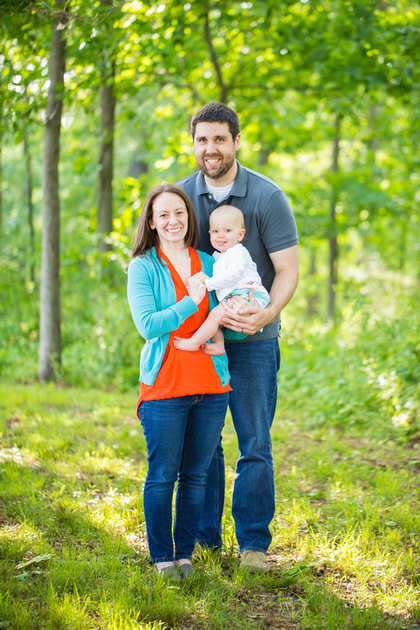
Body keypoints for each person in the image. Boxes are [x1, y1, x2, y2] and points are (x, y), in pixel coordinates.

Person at [177, 103, 299, 572]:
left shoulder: (267, 197)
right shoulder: (182, 195)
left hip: (253, 340)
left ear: (235, 142)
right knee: (205, 444)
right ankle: (206, 540)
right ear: (194, 143)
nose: (210, 149)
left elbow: (287, 270)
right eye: (202, 140)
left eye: (219, 139)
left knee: (254, 442)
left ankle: (253, 546)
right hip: (203, 342)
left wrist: (267, 312)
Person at [127, 182, 231, 580]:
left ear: (190, 217)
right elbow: (148, 325)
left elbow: (222, 312)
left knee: (196, 475)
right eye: (163, 214)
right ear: (152, 223)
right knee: (163, 474)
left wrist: (221, 334)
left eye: (180, 213)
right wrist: (190, 298)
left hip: (210, 386)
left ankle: (185, 554)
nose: (173, 221)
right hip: (165, 387)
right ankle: (162, 557)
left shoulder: (209, 260)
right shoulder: (143, 266)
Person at [173, 204, 270, 355]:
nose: (221, 236)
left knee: (214, 316)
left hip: (247, 293)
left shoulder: (237, 252)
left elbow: (234, 274)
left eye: (227, 231)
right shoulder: (217, 257)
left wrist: (207, 284)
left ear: (240, 235)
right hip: (236, 296)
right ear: (210, 233)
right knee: (213, 315)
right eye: (216, 231)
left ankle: (193, 343)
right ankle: (219, 345)